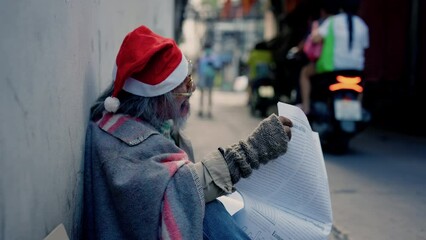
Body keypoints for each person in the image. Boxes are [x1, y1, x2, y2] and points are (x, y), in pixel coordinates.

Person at [82, 25, 293, 239]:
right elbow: (181, 192)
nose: (192, 91)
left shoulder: (158, 128)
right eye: (184, 87)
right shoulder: (120, 142)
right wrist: (251, 151)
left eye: (190, 80)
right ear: (156, 100)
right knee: (206, 212)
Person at [298, 0, 369, 114]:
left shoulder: (332, 22)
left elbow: (315, 39)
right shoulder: (362, 25)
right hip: (356, 71)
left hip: (332, 69)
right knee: (362, 85)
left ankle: (306, 107)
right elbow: (365, 46)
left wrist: (315, 28)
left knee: (304, 73)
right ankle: (358, 107)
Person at [197, 44, 219, 118]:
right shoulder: (202, 57)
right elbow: (199, 69)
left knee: (210, 94)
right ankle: (201, 110)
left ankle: (209, 111)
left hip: (210, 77)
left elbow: (217, 66)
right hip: (203, 77)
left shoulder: (213, 57)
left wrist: (213, 64)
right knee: (202, 94)